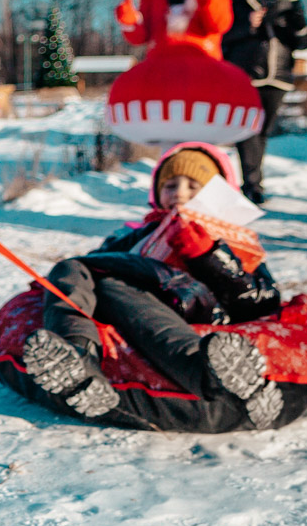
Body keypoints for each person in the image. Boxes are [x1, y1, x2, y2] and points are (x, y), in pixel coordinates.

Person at [19, 144, 285, 430]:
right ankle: (77, 361)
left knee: (108, 284)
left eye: (193, 186)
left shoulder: (231, 237)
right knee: (77, 271)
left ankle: (212, 374)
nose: (179, 193)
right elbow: (95, 263)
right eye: (170, 185)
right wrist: (61, 282)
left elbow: (261, 299)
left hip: (198, 308)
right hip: (132, 301)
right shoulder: (137, 233)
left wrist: (208, 255)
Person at [222, 0, 307, 204]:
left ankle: (254, 181)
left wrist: (296, 25)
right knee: (248, 128)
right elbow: (225, 36)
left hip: (278, 77)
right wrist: (248, 25)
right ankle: (252, 185)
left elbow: (302, 42)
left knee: (263, 130)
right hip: (247, 74)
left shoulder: (291, 2)